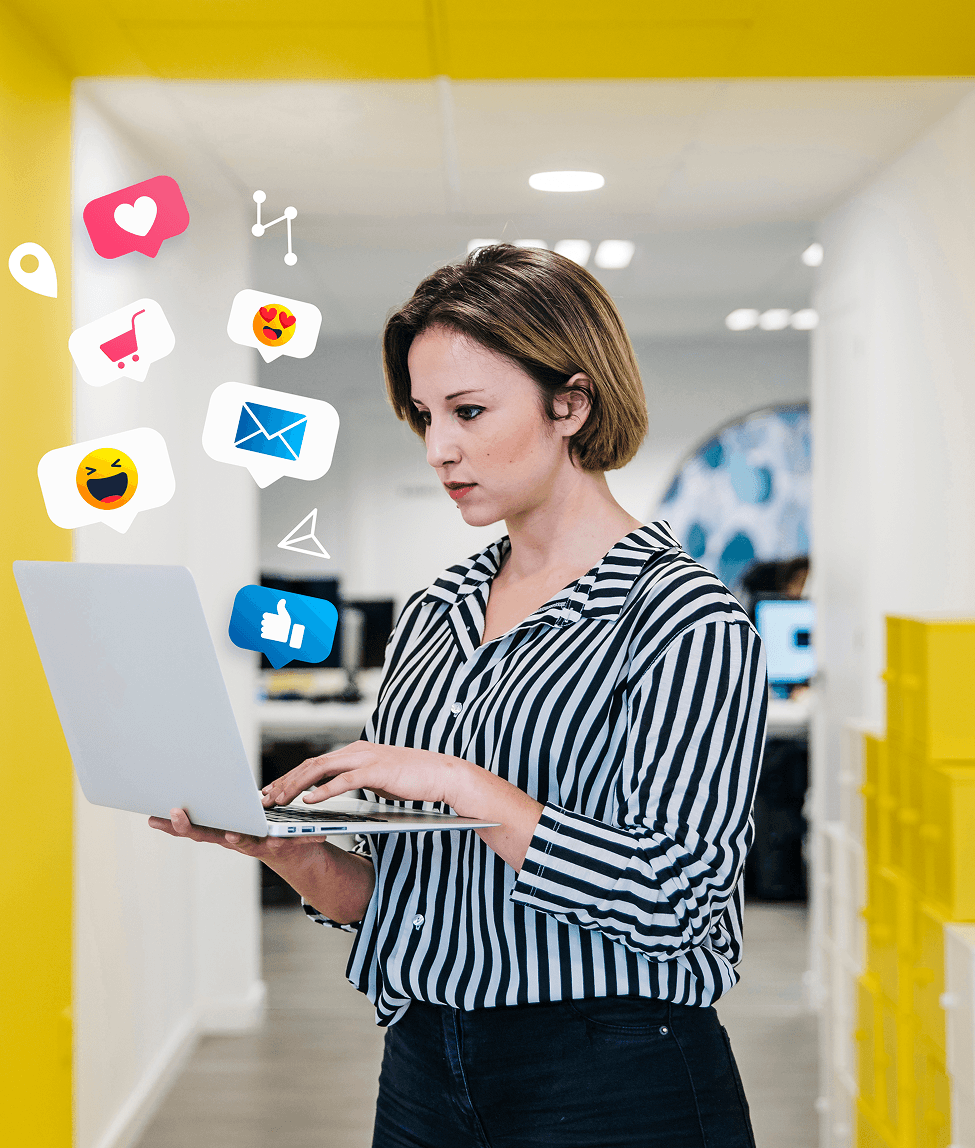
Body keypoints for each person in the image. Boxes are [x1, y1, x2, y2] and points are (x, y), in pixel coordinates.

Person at [151, 244, 768, 1147]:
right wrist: (282, 850)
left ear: (573, 402)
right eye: (426, 415)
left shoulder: (685, 618)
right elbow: (402, 896)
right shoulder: (437, 609)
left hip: (617, 1077)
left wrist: (466, 786)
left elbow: (680, 900)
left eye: (470, 412)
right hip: (425, 1071)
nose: (440, 449)